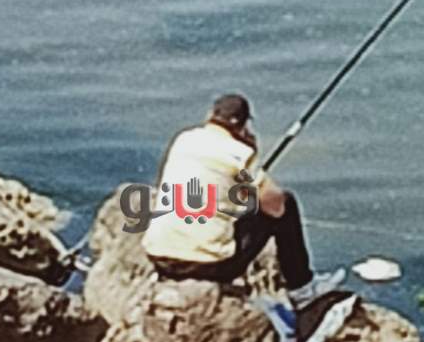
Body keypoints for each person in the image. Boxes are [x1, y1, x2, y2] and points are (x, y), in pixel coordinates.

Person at [144, 93, 344, 307]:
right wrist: (252, 151)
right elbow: (274, 204)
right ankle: (302, 289)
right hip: (206, 266)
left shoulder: (184, 139)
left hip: (159, 258)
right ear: (244, 125)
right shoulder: (240, 153)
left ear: (211, 115)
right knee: (286, 202)